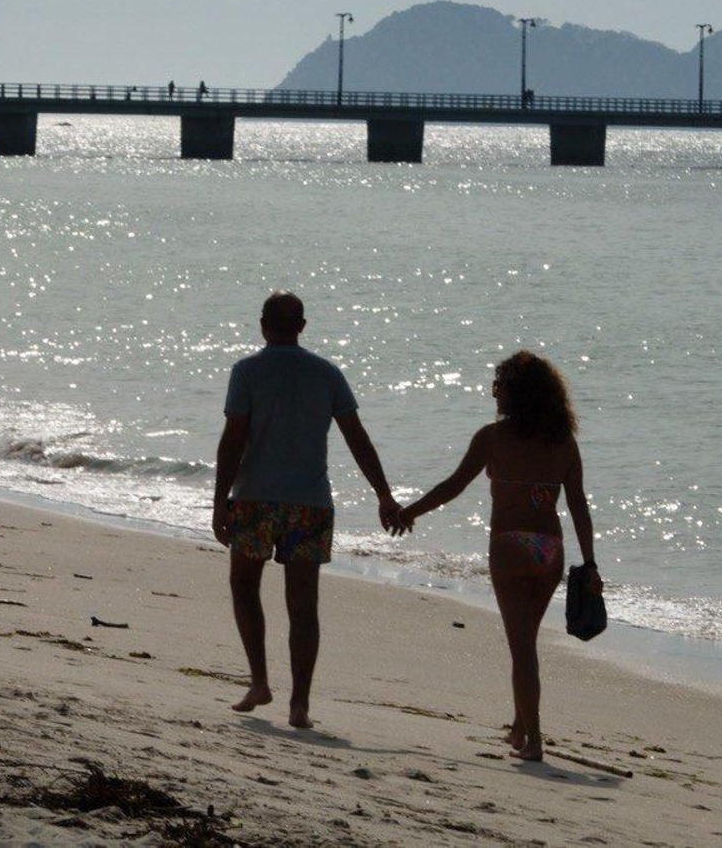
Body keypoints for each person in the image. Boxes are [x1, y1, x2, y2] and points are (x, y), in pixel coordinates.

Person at [396, 351, 600, 762]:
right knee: (525, 640)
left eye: (499, 385)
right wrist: (591, 563)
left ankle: (535, 740)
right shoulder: (563, 442)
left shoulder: (492, 438)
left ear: (516, 394)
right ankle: (520, 728)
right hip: (548, 548)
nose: (494, 392)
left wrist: (409, 512)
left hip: (509, 545)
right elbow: (578, 505)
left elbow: (453, 486)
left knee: (522, 647)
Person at [213, 292, 399, 729]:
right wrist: (383, 494)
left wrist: (220, 500)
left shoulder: (247, 372)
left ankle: (259, 681)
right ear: (302, 326)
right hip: (309, 505)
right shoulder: (326, 374)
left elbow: (232, 441)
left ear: (263, 325)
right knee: (303, 605)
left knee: (244, 585)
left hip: (256, 498)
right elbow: (358, 439)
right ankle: (300, 704)